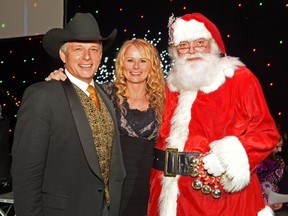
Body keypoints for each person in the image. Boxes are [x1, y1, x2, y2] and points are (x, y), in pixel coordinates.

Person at [148, 12, 280, 216]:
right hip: (170, 197)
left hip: (219, 198)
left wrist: (227, 159)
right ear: (175, 51)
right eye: (183, 45)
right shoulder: (169, 86)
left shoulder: (239, 79)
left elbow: (266, 132)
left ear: (212, 45)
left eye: (199, 42)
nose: (192, 51)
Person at [11, 12, 125, 216]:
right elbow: (26, 174)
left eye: (93, 49)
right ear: (64, 55)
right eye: (78, 49)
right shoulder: (42, 96)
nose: (87, 57)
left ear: (100, 55)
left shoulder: (106, 97)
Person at [46, 38, 166, 215]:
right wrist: (58, 81)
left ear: (152, 65)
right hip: (110, 186)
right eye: (130, 60)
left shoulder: (164, 100)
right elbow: (71, 103)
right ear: (121, 64)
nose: (136, 67)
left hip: (148, 187)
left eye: (143, 61)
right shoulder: (103, 93)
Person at [256, 123, 286, 212]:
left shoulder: (280, 162)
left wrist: (281, 203)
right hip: (256, 206)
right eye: (277, 146)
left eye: (281, 146)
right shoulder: (254, 163)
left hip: (275, 206)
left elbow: (283, 186)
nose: (280, 150)